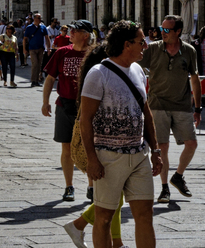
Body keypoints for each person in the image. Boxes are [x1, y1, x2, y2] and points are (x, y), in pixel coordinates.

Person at [79, 21, 161, 248]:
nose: (145, 45)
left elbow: (146, 112)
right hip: (109, 157)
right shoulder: (98, 74)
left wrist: (156, 151)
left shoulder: (138, 71)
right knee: (104, 217)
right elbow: (85, 120)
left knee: (145, 213)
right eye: (141, 41)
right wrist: (92, 159)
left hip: (139, 153)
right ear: (127, 45)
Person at [63, 45, 121, 248]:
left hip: (112, 145)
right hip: (104, 144)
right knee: (113, 196)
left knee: (114, 195)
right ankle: (80, 225)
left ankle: (115, 241)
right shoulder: (98, 78)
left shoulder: (95, 76)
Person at [140, 15, 201, 203]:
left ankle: (178, 176)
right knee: (162, 147)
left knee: (192, 144)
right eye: (162, 29)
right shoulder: (153, 49)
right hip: (157, 104)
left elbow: (194, 79)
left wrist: (197, 107)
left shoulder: (189, 51)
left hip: (182, 105)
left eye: (167, 30)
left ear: (178, 32)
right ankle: (165, 188)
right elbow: (135, 65)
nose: (162, 33)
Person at [43, 19, 93, 202]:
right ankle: (69, 186)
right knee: (66, 147)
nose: (70, 33)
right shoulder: (62, 53)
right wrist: (45, 101)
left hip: (87, 108)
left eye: (75, 30)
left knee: (90, 147)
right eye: (70, 30)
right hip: (64, 105)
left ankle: (91, 186)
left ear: (85, 35)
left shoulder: (94, 54)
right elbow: (50, 78)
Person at [25, 14, 48, 87]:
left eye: (40, 18)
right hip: (32, 48)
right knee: (35, 64)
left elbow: (47, 38)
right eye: (38, 18)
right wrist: (24, 49)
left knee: (39, 65)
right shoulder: (29, 27)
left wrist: (49, 48)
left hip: (41, 48)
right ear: (34, 19)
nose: (40, 19)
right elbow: (25, 39)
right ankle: (33, 80)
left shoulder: (43, 27)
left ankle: (37, 80)